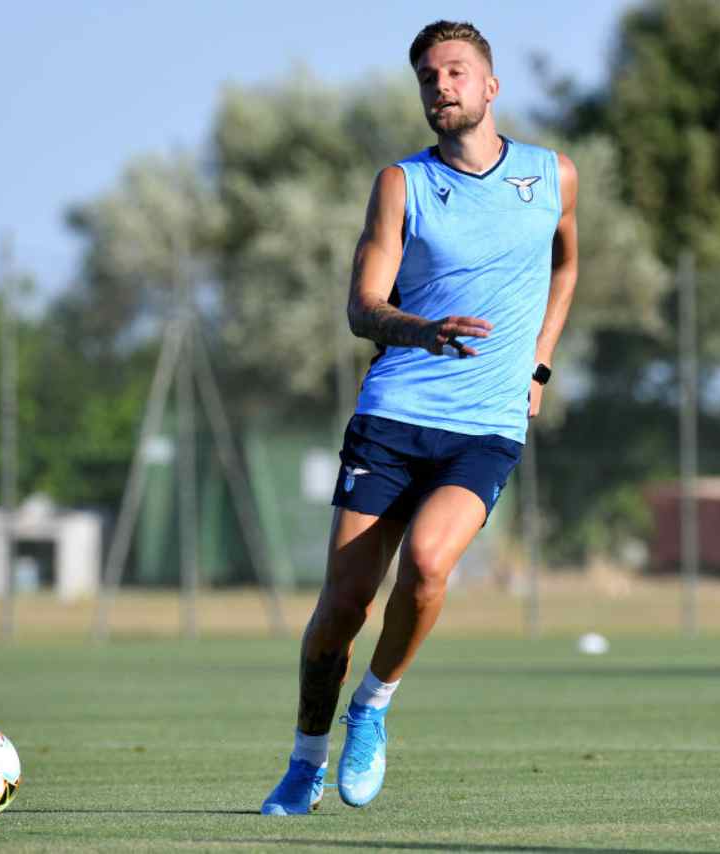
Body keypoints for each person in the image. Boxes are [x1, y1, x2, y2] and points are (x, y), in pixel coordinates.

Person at [261, 19, 579, 815]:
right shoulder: (403, 183)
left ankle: (372, 707)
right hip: (395, 415)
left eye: (456, 72)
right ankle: (304, 760)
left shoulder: (553, 176)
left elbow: (568, 259)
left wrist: (539, 358)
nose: (442, 86)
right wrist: (421, 330)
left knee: (432, 568)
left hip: (487, 427)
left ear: (490, 85)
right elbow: (362, 308)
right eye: (429, 77)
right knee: (342, 607)